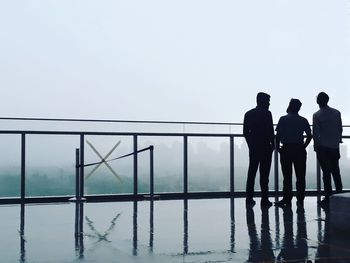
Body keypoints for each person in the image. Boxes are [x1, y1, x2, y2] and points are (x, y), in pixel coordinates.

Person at [275, 99, 312, 207]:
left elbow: (277, 136)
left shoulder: (283, 119)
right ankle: (300, 198)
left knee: (287, 176)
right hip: (299, 149)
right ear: (299, 108)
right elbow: (309, 135)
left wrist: (278, 149)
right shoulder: (303, 120)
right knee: (300, 176)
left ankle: (287, 198)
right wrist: (303, 146)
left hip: (286, 149)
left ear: (289, 106)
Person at [243, 92, 275, 206]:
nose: (269, 103)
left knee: (251, 173)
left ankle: (249, 198)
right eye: (268, 101)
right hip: (266, 147)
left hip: (254, 147)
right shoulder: (267, 113)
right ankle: (264, 199)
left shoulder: (248, 114)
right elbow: (271, 132)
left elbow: (245, 133)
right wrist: (273, 146)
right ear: (263, 101)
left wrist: (250, 144)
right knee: (264, 175)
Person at [313, 92, 343, 206]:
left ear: (318, 102)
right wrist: (338, 140)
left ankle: (328, 197)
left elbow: (316, 133)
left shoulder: (317, 115)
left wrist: (316, 147)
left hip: (323, 148)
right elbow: (340, 128)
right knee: (336, 172)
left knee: (326, 173)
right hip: (334, 147)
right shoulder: (337, 113)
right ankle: (340, 194)